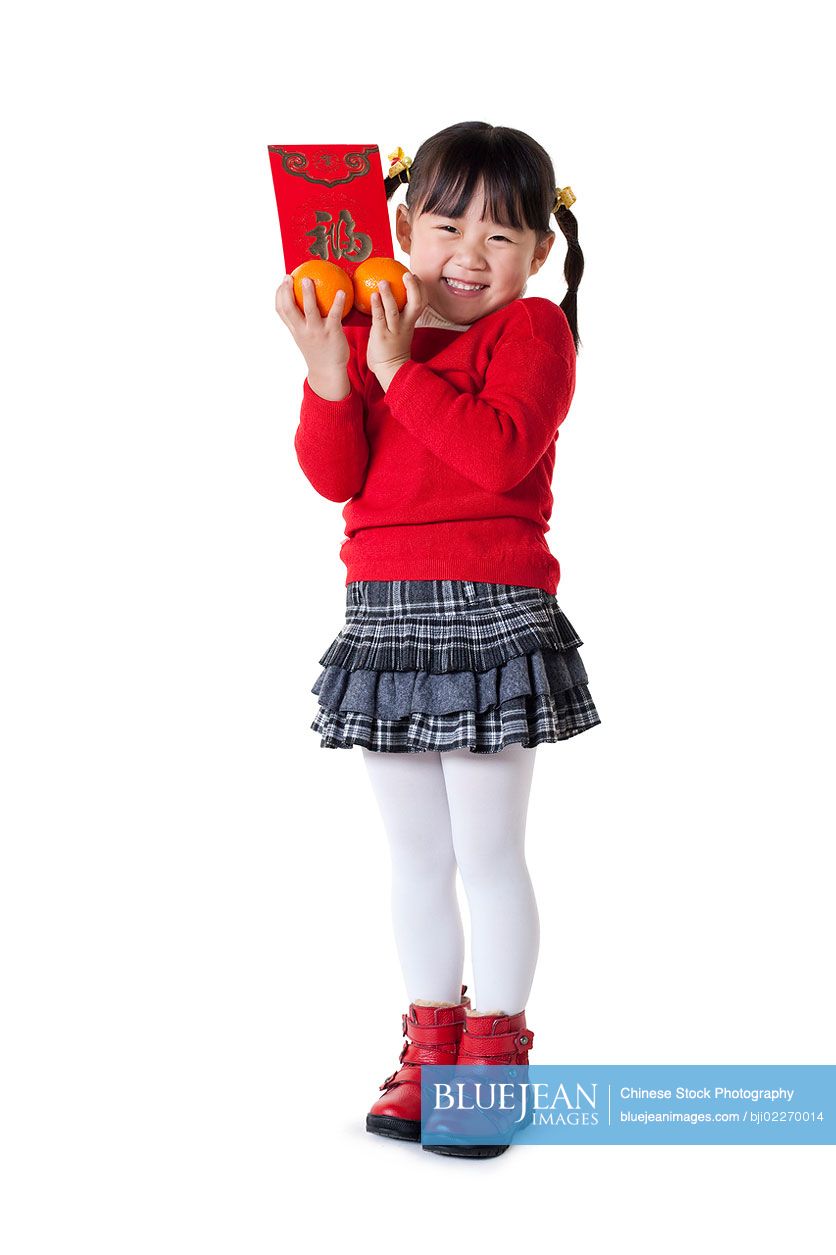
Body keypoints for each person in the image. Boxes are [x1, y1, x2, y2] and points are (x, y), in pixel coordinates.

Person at [275, 122, 601, 1158]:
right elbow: (336, 475)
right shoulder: (379, 326)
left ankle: (492, 1060)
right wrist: (334, 370)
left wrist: (394, 368)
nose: (469, 249)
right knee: (415, 856)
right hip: (383, 614)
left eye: (502, 233)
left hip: (489, 611)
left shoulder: (533, 333)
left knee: (487, 850)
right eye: (447, 222)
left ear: (539, 254)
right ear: (402, 225)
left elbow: (497, 454)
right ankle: (428, 1046)